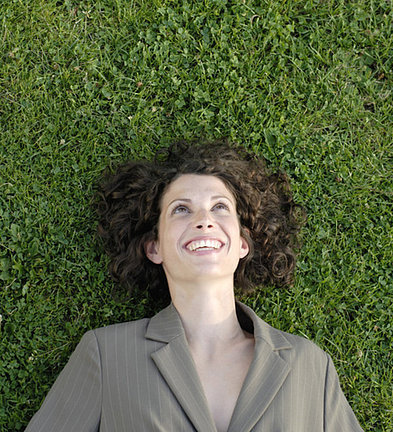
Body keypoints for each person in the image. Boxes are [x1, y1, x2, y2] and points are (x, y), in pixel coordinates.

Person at [25, 139, 364, 431]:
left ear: (244, 243)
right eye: (181, 210)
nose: (204, 220)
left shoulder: (310, 366)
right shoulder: (106, 354)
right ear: (154, 247)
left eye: (219, 207)